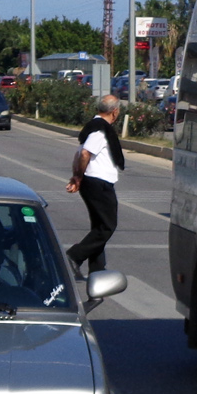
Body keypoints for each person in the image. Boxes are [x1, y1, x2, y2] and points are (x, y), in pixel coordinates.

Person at [66, 95, 126, 274]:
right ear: (114, 112)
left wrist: (77, 176)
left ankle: (97, 270)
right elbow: (85, 154)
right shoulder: (100, 130)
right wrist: (77, 177)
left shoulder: (93, 127)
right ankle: (73, 257)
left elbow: (78, 154)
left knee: (99, 227)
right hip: (98, 183)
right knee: (107, 226)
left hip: (92, 181)